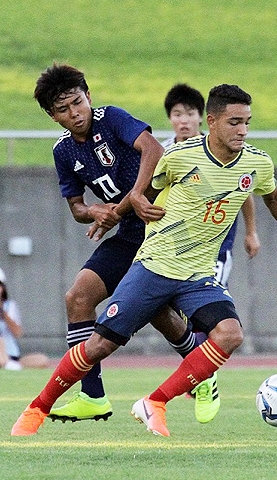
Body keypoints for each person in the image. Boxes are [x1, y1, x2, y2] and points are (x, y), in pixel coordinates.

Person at [12, 83, 277, 437]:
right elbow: (120, 196)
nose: (243, 130)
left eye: (247, 122)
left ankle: (157, 400)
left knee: (229, 334)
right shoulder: (178, 157)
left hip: (197, 272)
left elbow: (268, 194)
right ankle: (45, 406)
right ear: (214, 121)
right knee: (95, 333)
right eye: (235, 122)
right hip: (150, 258)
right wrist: (128, 203)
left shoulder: (255, 161)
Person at [31, 64, 216, 424]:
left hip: (161, 228)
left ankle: (202, 376)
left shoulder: (111, 118)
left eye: (77, 102)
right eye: (64, 109)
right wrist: (95, 212)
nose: (75, 113)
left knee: (159, 313)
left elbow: (153, 150)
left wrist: (132, 196)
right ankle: (92, 396)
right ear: (53, 117)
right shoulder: (63, 151)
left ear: (89, 96)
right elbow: (76, 208)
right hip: (129, 233)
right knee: (78, 297)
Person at [161, 83, 261, 287]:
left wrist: (251, 232)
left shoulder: (218, 149)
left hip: (216, 243)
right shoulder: (162, 152)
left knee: (208, 300)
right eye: (177, 114)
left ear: (202, 117)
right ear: (170, 118)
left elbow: (244, 191)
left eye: (190, 114)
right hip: (174, 244)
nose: (184, 121)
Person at [0, 268, 49, 370]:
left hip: (12, 355)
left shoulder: (10, 306)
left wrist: (2, 312)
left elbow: (17, 333)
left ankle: (10, 364)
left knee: (42, 360)